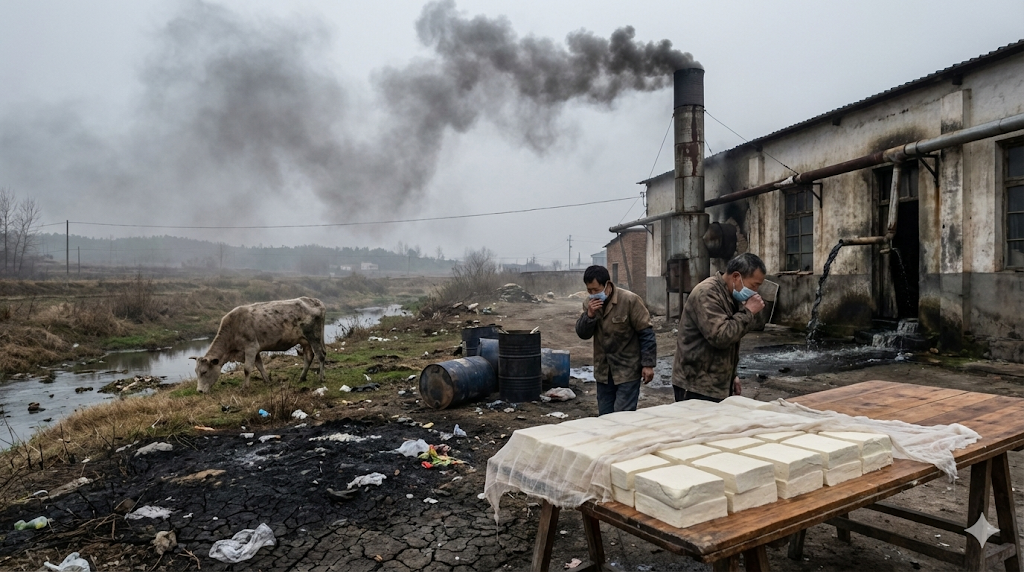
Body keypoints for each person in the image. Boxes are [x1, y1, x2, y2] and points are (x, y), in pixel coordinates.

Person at [671, 252, 767, 402]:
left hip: (715, 383)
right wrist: (748, 311)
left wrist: (731, 375)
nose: (755, 291)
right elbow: (721, 336)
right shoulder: (707, 293)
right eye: (754, 285)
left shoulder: (730, 294)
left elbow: (731, 338)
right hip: (696, 385)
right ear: (736, 277)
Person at [575, 265, 657, 415]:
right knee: (605, 417)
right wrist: (590, 315)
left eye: (596, 290)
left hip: (627, 370)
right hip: (604, 372)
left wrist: (648, 364)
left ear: (607, 285)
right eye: (589, 291)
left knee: (622, 418)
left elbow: (646, 333)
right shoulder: (589, 304)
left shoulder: (629, 300)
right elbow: (583, 334)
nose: (593, 294)